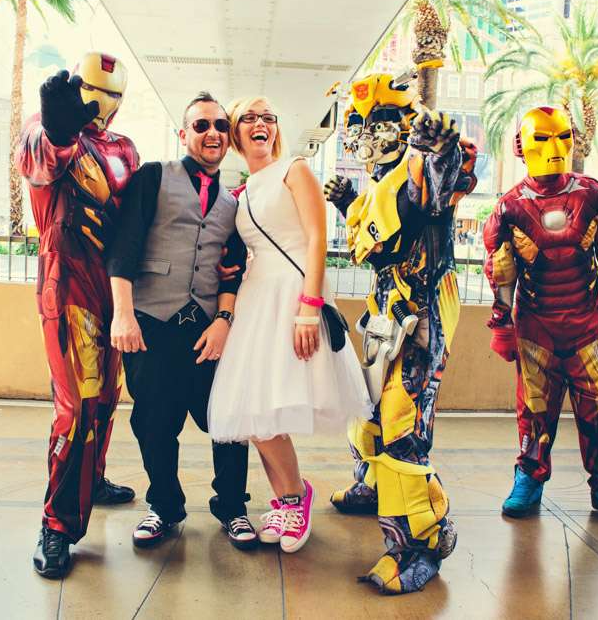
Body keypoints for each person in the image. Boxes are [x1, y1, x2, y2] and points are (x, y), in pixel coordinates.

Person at [323, 72, 478, 594]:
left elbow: (439, 185)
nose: (369, 134)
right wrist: (348, 202)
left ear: (406, 124)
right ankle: (371, 486)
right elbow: (382, 237)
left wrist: (440, 147)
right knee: (365, 410)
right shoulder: (382, 179)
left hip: (420, 315)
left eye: (382, 122)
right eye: (360, 124)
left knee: (401, 426)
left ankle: (420, 544)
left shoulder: (420, 164)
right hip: (385, 311)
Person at [207, 96, 372, 555]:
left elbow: (317, 238)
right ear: (236, 132)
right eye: (249, 118)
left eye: (268, 117)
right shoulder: (242, 192)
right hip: (256, 299)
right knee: (257, 413)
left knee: (270, 407)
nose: (260, 123)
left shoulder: (294, 170)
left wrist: (309, 306)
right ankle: (285, 499)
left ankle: (296, 498)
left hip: (293, 295)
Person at [482, 105, 598, 522]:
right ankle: (529, 479)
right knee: (534, 408)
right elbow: (501, 268)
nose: (555, 147)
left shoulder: (592, 195)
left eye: (562, 136)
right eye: (542, 138)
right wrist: (502, 324)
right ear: (521, 146)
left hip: (586, 324)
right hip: (536, 326)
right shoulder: (509, 207)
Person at [108, 91, 257, 551]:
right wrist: (123, 314)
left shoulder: (233, 203)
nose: (212, 133)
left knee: (227, 420)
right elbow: (124, 245)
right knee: (154, 423)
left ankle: (232, 507)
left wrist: (224, 320)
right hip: (150, 323)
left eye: (220, 126)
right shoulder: (153, 177)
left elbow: (233, 267)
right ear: (183, 133)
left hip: (206, 328)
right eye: (201, 125)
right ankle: (165, 507)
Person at [15, 53, 139, 579]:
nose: (101, 102)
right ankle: (58, 524)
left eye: (112, 94)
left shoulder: (124, 148)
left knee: (107, 397)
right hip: (67, 282)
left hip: (114, 286)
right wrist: (58, 131)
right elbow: (40, 162)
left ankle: (94, 478)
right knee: (77, 405)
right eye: (93, 89)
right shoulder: (44, 131)